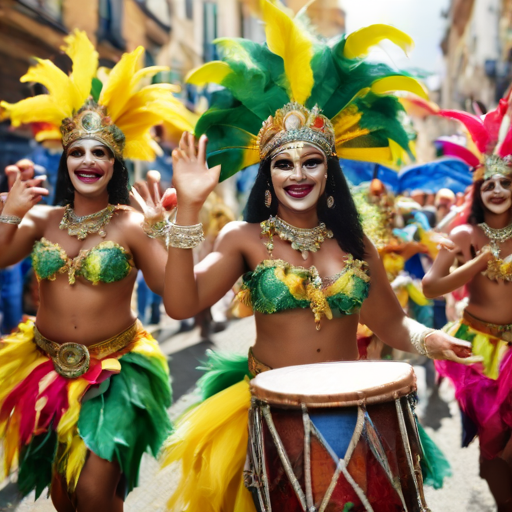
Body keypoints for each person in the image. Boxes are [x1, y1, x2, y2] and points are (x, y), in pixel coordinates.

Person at [159, 5, 475, 511]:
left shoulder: (355, 243)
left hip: (353, 406)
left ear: (329, 173)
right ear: (269, 177)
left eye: (311, 161)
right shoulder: (244, 237)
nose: (298, 174)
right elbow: (180, 302)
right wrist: (189, 210)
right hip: (272, 409)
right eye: (283, 164)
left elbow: (391, 325)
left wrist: (431, 339)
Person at [0, 30, 194, 511]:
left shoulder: (130, 224)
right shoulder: (43, 218)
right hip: (43, 365)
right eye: (78, 152)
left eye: (100, 152)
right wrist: (11, 211)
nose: (88, 161)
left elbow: (169, 292)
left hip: (116, 370)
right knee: (66, 495)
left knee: (93, 489)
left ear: (114, 162)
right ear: (65, 160)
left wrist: (160, 233)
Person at [423, 94, 512, 511]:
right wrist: (476, 264)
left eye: (506, 182)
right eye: (488, 183)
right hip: (482, 352)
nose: (497, 189)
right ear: (477, 190)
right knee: (493, 452)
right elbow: (431, 287)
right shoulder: (463, 235)